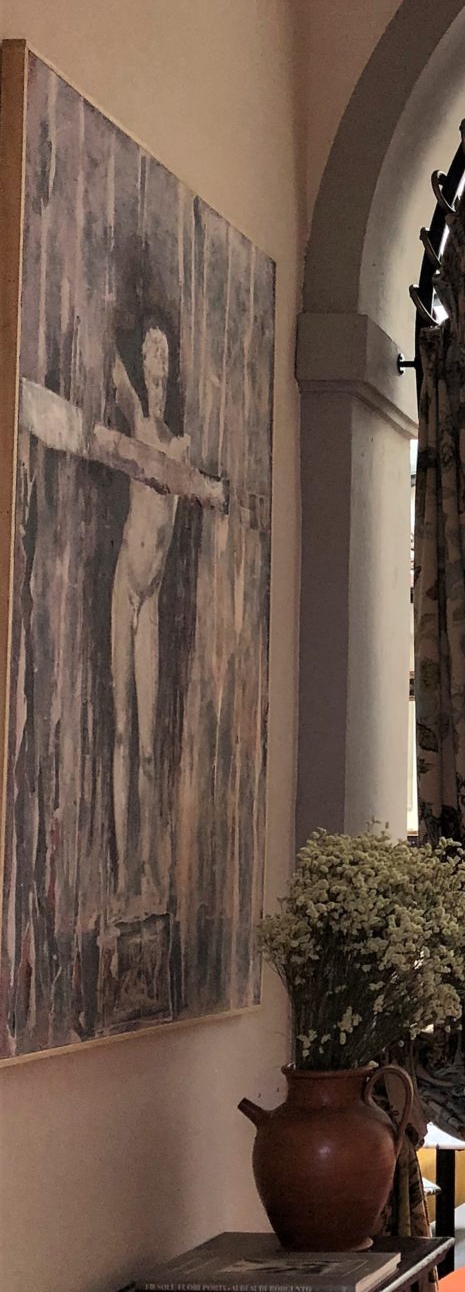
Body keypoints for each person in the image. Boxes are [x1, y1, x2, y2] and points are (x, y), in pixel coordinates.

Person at [109, 310, 189, 904]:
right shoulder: (134, 422)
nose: (155, 379)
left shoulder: (178, 447)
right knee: (119, 728)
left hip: (152, 595)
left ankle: (145, 871)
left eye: (163, 370)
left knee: (145, 740)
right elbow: (111, 374)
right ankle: (121, 870)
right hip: (124, 585)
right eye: (149, 367)